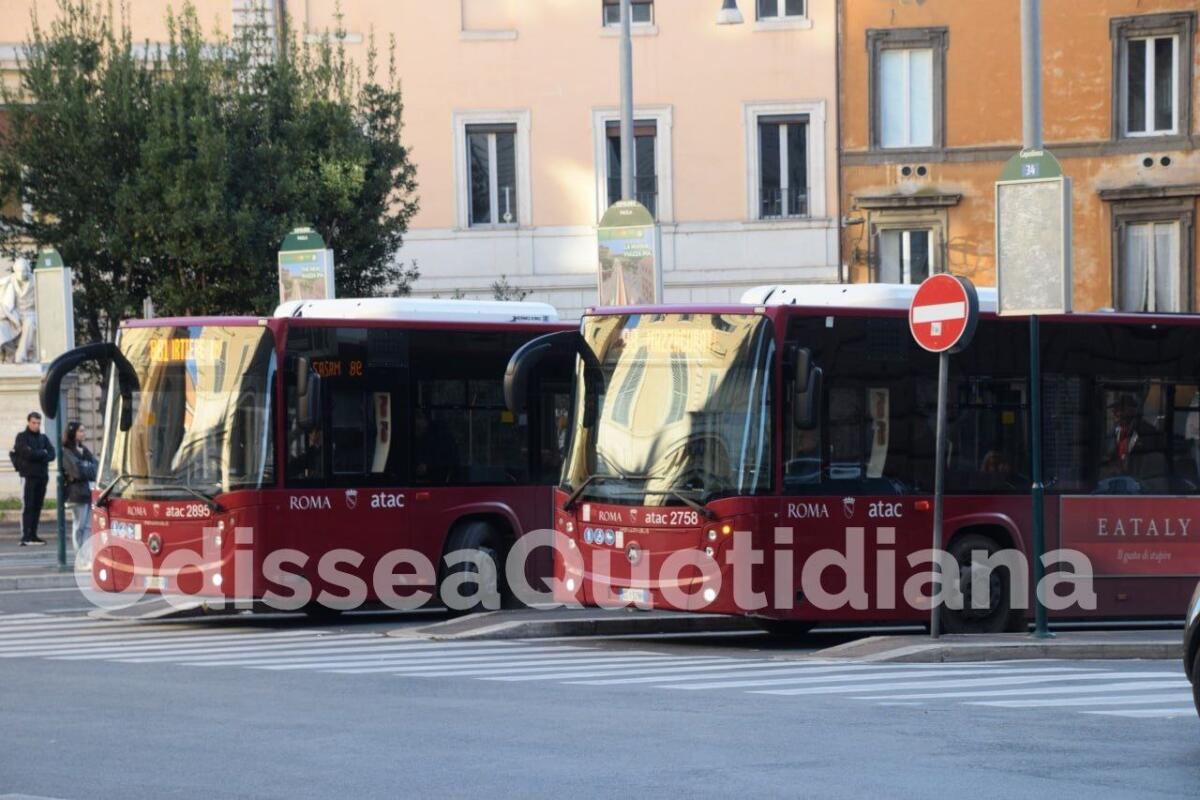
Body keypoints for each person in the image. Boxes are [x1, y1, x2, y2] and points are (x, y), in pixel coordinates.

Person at [12, 411, 55, 546]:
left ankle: (34, 534)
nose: (36, 425)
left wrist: (39, 454)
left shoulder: (43, 438)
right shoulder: (22, 437)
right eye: (34, 423)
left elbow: (52, 454)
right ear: (29, 422)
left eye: (38, 423)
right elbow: (26, 453)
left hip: (42, 477)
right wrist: (42, 453)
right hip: (28, 477)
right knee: (28, 506)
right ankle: (26, 536)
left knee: (37, 506)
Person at [61, 421, 98, 557]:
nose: (84, 433)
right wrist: (87, 468)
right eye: (80, 431)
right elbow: (77, 472)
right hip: (76, 494)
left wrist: (86, 468)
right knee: (79, 526)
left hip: (88, 492)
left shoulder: (84, 450)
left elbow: (96, 468)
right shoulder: (66, 451)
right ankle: (80, 556)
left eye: (84, 430)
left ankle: (87, 555)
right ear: (73, 433)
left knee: (88, 527)